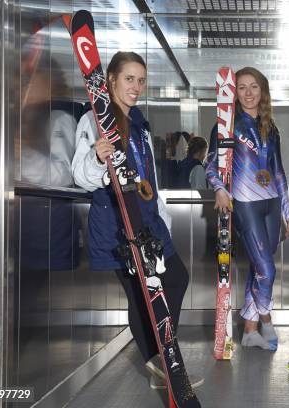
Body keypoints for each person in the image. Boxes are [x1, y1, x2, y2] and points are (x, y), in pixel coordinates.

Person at [71, 51, 202, 389]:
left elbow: (150, 177)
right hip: (117, 226)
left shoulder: (140, 123)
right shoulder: (93, 121)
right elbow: (81, 176)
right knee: (140, 296)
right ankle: (161, 364)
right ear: (110, 80)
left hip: (148, 222)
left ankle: (163, 359)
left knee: (175, 279)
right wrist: (98, 158)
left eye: (141, 80)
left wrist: (162, 215)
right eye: (129, 78)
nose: (136, 86)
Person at [206, 66, 289, 351]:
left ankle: (249, 331)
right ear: (233, 92)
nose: (248, 93)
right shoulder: (225, 124)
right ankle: (266, 318)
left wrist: (287, 212)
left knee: (260, 268)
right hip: (244, 204)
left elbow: (279, 172)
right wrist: (220, 189)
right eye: (241, 87)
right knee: (267, 271)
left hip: (271, 204)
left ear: (263, 91)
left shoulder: (271, 127)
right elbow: (211, 164)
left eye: (253, 86)